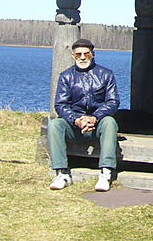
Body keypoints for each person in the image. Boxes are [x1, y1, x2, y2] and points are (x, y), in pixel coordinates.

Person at [48, 38, 120, 192]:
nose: (82, 58)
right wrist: (76, 120)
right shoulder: (66, 76)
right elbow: (60, 104)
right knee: (55, 124)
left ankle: (106, 172)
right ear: (73, 56)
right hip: (75, 126)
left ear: (93, 54)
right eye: (78, 54)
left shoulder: (106, 75)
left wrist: (95, 117)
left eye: (86, 54)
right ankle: (62, 173)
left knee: (110, 122)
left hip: (97, 125)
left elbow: (113, 102)